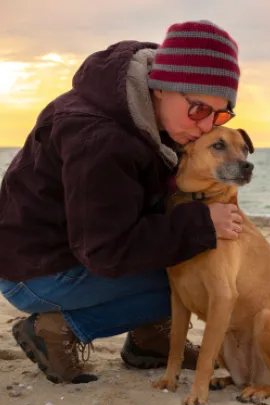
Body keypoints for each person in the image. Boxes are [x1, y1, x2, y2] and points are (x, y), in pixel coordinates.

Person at [0, 20, 243, 384]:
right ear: (162, 87)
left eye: (219, 115)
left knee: (189, 259)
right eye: (198, 110)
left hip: (71, 248)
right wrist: (202, 224)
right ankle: (57, 328)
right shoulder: (99, 139)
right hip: (34, 271)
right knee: (184, 279)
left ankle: (149, 341)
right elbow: (106, 250)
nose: (206, 126)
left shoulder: (150, 117)